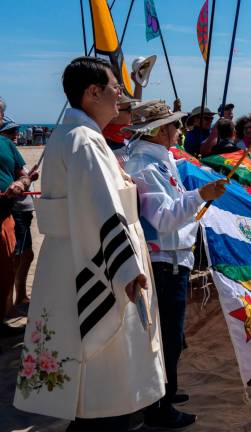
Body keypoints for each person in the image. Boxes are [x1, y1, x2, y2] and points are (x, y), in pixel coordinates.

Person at [13, 57, 165, 431]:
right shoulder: (84, 140)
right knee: (104, 377)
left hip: (73, 255)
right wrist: (127, 269)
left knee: (85, 373)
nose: (120, 95)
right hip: (95, 262)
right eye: (115, 86)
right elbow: (101, 207)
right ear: (92, 92)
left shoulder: (72, 135)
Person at [124, 100, 226, 429]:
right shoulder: (145, 165)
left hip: (173, 260)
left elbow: (174, 207)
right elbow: (164, 219)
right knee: (166, 337)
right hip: (163, 263)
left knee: (172, 336)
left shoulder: (160, 160)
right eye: (173, 125)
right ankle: (159, 406)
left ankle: (167, 389)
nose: (178, 130)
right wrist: (201, 196)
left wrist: (197, 200)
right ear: (157, 130)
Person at [0, 112, 32, 336]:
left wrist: (21, 182)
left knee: (6, 271)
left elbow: (25, 175)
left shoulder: (5, 144)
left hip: (5, 217)